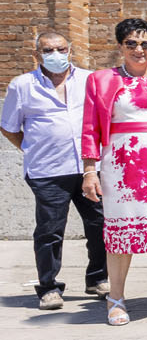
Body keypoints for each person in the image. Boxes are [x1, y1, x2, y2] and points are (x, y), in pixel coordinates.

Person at [81, 18, 147, 326]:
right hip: (119, 164)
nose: (139, 50)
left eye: (145, 44)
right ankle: (115, 297)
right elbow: (90, 127)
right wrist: (90, 170)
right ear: (120, 46)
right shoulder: (101, 80)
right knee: (119, 234)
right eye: (132, 43)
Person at [3, 29, 103, 312]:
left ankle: (98, 278)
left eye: (60, 49)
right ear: (36, 54)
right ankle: (48, 287)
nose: (55, 55)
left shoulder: (88, 80)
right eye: (48, 50)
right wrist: (32, 148)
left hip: (89, 167)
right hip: (47, 171)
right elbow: (9, 127)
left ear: (70, 50)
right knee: (49, 231)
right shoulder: (22, 85)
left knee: (101, 224)